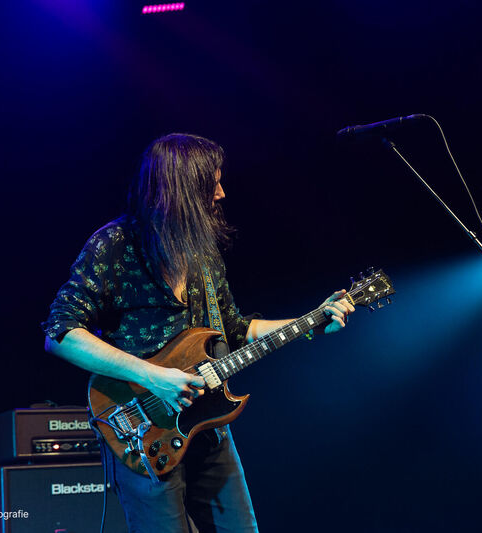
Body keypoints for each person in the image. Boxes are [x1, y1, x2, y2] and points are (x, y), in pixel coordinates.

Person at [42, 133, 355, 533]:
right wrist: (153, 376)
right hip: (142, 427)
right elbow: (61, 333)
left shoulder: (202, 252)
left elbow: (235, 330)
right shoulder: (114, 245)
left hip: (207, 423)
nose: (222, 194)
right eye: (213, 185)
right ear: (182, 191)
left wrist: (313, 320)